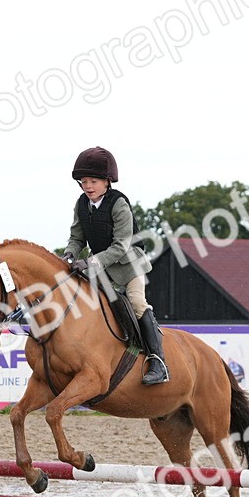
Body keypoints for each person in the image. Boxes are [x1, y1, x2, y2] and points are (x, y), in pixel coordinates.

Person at [63, 146, 168, 385]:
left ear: (107, 181)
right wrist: (69, 254)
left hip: (128, 264)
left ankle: (158, 361)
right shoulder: (81, 204)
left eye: (93, 181)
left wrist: (90, 262)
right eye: (83, 182)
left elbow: (121, 245)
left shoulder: (119, 204)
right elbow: (77, 237)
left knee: (137, 303)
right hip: (101, 268)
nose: (88, 186)